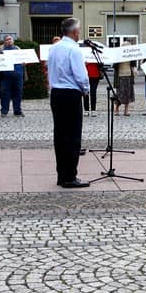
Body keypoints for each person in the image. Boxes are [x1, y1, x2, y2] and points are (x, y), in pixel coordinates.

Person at [47, 17, 90, 188]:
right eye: (79, 30)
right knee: (72, 136)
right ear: (75, 32)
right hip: (71, 94)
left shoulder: (54, 48)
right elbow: (81, 75)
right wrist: (85, 89)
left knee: (60, 135)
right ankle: (70, 176)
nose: (80, 33)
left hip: (56, 93)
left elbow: (50, 70)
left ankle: (61, 174)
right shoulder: (74, 50)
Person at [0, 34, 24, 117]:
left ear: (13, 41)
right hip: (6, 76)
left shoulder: (18, 49)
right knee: (5, 94)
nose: (9, 41)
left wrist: (25, 62)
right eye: (7, 39)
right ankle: (4, 111)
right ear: (4, 42)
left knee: (18, 93)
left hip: (18, 75)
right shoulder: (0, 50)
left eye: (10, 39)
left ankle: (17, 111)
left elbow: (25, 59)